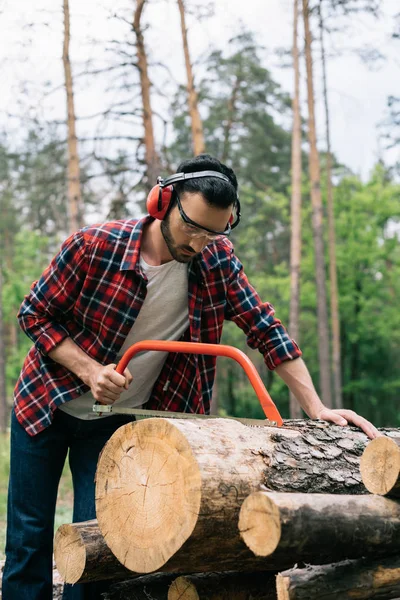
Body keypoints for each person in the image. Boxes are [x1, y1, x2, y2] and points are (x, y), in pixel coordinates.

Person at [2, 154, 379, 599]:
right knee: (28, 540)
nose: (200, 242)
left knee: (96, 549)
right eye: (193, 227)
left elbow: (266, 330)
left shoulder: (216, 261)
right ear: (163, 202)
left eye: (214, 232)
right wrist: (88, 369)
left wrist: (316, 408)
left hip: (111, 423)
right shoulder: (93, 246)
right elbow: (35, 313)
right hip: (46, 403)